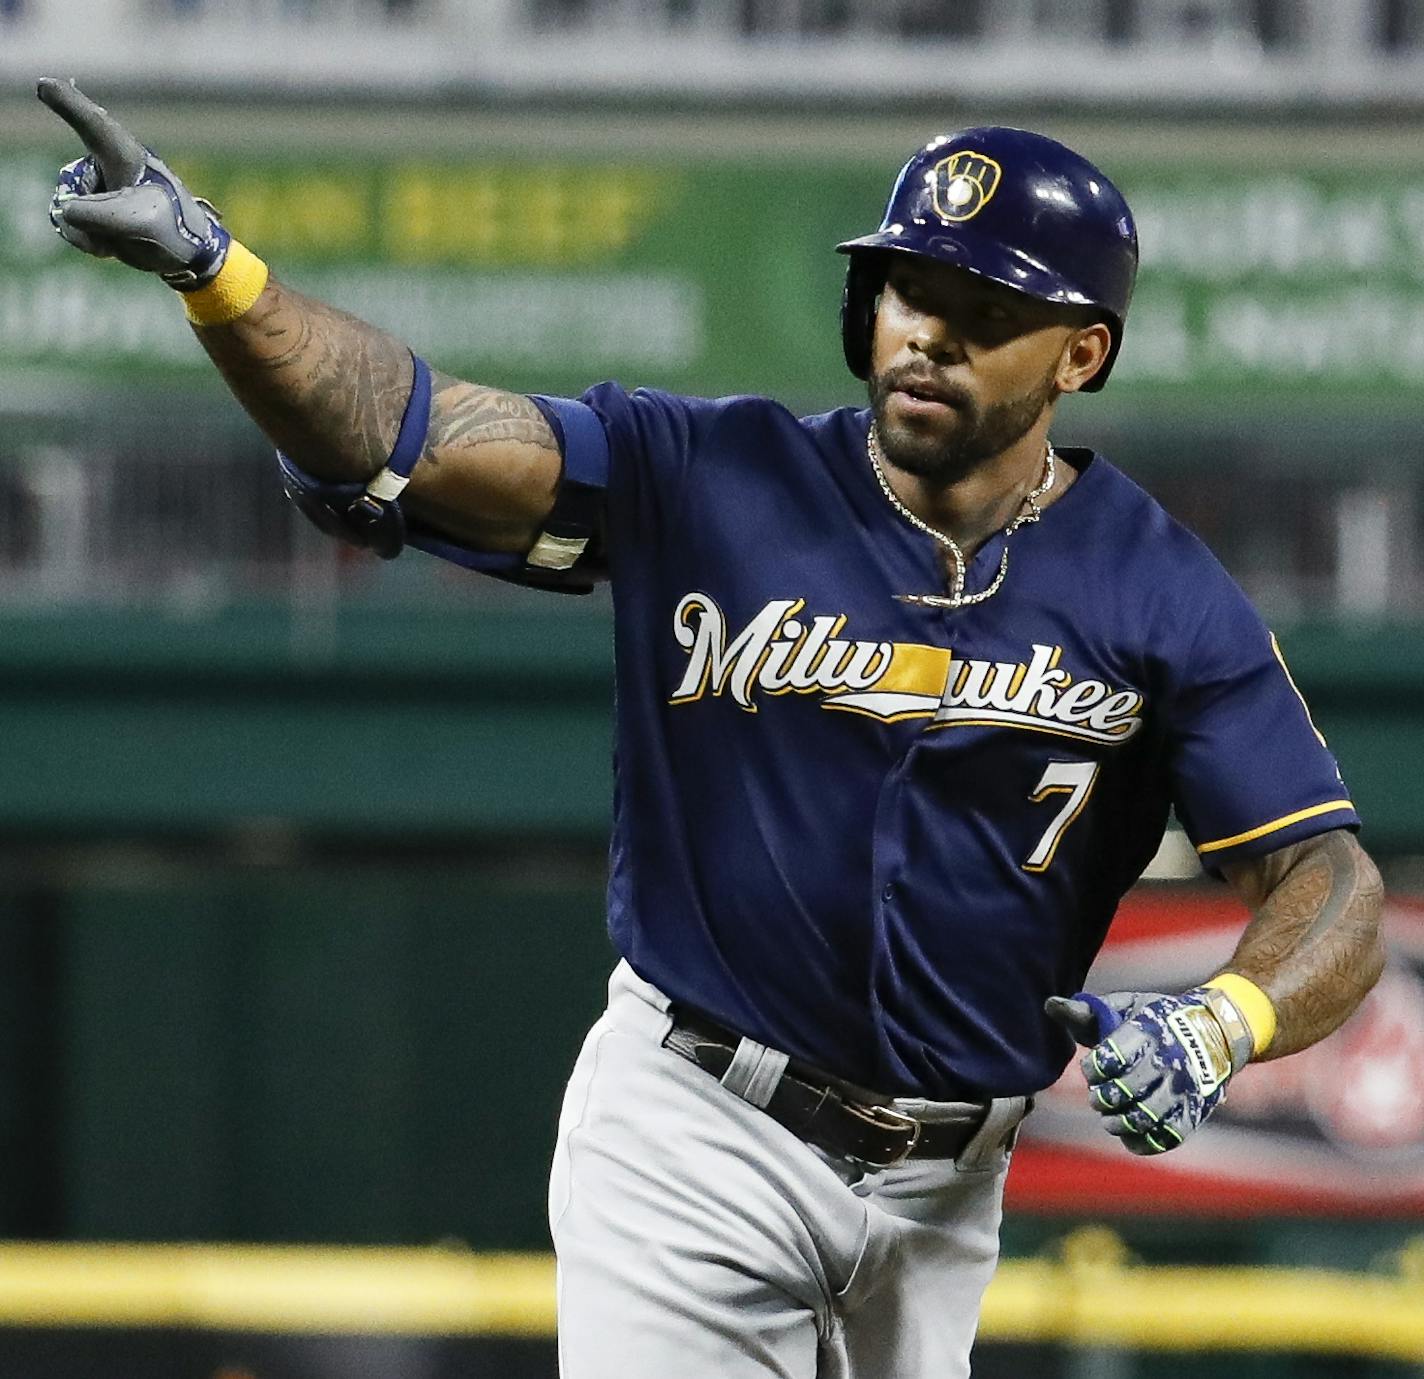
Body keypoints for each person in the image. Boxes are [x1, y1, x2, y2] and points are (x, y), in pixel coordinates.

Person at [39, 78, 1385, 1379]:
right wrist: (219, 277)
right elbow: (401, 432)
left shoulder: (1161, 590)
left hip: (949, 1187)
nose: (929, 330)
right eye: (913, 288)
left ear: (1083, 352)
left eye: (986, 308)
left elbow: (1331, 884)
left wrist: (1226, 1020)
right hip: (699, 1124)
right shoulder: (711, 475)